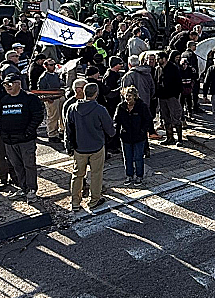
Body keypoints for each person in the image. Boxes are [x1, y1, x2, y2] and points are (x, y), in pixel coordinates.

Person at [65, 83, 115, 211]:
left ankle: (75, 202)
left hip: (79, 147)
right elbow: (110, 130)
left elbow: (68, 130)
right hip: (96, 146)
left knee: (77, 175)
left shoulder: (72, 108)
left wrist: (69, 146)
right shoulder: (100, 109)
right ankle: (94, 200)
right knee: (96, 174)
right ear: (96, 94)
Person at [0, 73, 45, 203]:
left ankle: (31, 190)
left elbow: (37, 116)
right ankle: (23, 188)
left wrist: (28, 132)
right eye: (5, 84)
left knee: (29, 165)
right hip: (9, 140)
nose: (7, 87)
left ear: (18, 84)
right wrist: (2, 133)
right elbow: (0, 118)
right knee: (16, 166)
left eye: (10, 84)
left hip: (25, 140)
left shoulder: (30, 98)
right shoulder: (4, 99)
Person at [114, 86, 152, 185]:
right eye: (126, 96)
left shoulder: (142, 106)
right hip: (126, 136)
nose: (127, 98)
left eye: (130, 96)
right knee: (127, 157)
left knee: (138, 157)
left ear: (135, 96)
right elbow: (116, 121)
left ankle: (139, 176)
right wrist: (116, 133)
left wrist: (143, 131)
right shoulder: (121, 107)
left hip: (139, 136)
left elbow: (148, 120)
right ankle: (129, 175)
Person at [156, 51, 184, 146]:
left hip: (172, 97)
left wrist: (176, 95)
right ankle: (170, 137)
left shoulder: (173, 68)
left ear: (164, 59)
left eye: (159, 58)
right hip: (162, 97)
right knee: (165, 118)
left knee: (176, 117)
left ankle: (179, 139)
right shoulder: (158, 69)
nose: (157, 60)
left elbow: (179, 83)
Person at [38, 58, 65, 145]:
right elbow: (41, 91)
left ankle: (61, 131)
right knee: (53, 117)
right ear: (45, 66)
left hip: (59, 97)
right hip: (51, 100)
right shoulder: (43, 77)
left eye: (54, 64)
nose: (53, 66)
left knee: (62, 116)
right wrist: (47, 99)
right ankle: (52, 134)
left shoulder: (56, 75)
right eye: (51, 65)